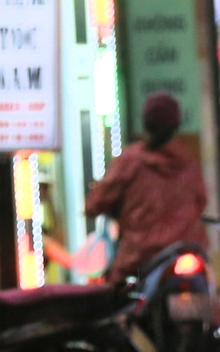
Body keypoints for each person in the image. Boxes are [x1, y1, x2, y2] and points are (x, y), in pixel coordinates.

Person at [84, 92, 210, 282]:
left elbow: (95, 204)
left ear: (145, 124)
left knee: (115, 302)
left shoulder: (129, 161)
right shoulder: (187, 160)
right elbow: (201, 201)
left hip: (138, 260)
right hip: (188, 252)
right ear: (176, 125)